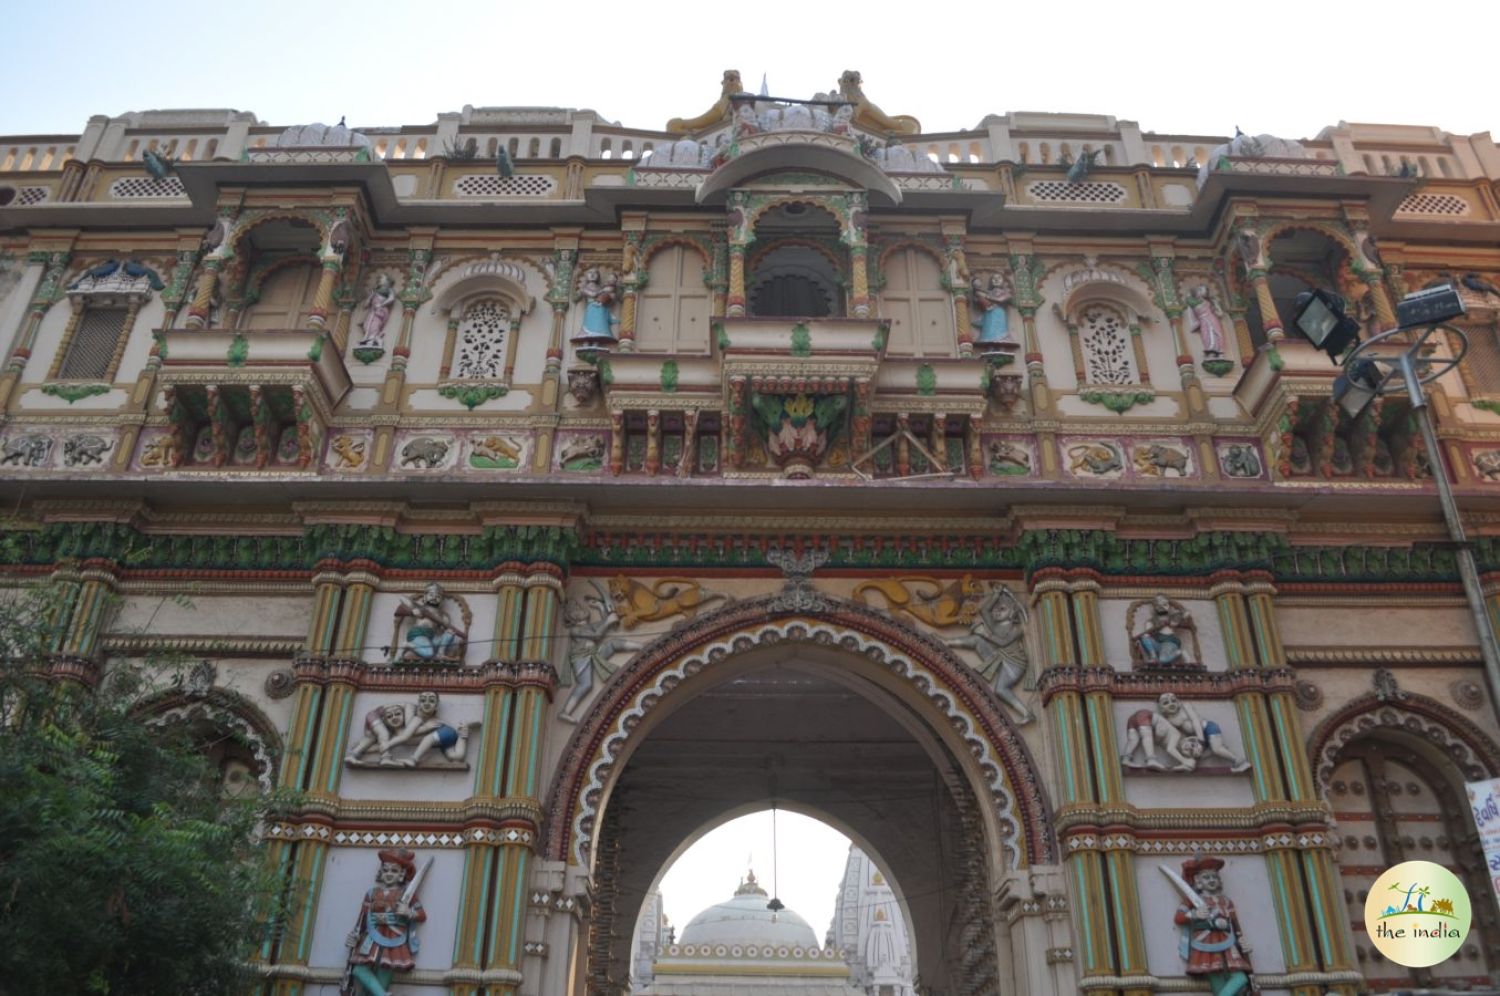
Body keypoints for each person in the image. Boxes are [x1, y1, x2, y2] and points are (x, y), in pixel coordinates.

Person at [343, 849, 427, 996]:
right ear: (381, 872)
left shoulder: (406, 895)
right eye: (386, 870)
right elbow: (362, 918)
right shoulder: (372, 893)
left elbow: (421, 915)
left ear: (401, 875)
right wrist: (355, 935)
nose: (389, 874)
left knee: (380, 980)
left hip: (394, 942)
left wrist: (409, 913)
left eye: (394, 871)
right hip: (371, 940)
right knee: (359, 970)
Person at [945, 586, 1031, 723]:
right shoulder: (995, 625)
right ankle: (947, 642)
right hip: (1001, 658)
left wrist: (985, 633)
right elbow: (984, 610)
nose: (996, 612)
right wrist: (995, 595)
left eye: (1002, 609)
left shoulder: (1016, 629)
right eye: (996, 609)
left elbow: (1002, 642)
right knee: (977, 640)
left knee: (1001, 690)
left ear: (1012, 612)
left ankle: (1026, 714)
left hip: (1014, 664)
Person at [1173, 856, 1254, 996]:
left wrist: (1242, 942)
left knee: (1240, 978)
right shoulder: (1193, 900)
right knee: (1218, 983)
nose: (1211, 880)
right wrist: (1194, 914)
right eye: (1206, 877)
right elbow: (1179, 917)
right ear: (1198, 881)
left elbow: (1236, 926)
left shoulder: (1227, 902)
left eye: (1214, 877)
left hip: (1228, 943)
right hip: (1206, 943)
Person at [560, 584, 642, 719]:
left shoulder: (590, 626)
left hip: (594, 653)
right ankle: (566, 712)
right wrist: (608, 622)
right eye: (576, 609)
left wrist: (600, 607)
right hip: (581, 658)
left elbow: (608, 625)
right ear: (572, 617)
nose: (580, 609)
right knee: (586, 685)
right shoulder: (575, 630)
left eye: (579, 607)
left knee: (613, 644)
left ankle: (641, 647)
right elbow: (598, 635)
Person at [383, 691, 474, 767]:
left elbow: (407, 735)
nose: (427, 703)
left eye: (431, 701)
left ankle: (413, 759)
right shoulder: (401, 729)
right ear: (419, 703)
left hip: (445, 732)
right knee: (456, 756)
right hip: (445, 739)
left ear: (436, 705)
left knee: (428, 739)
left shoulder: (417, 719)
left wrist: (389, 744)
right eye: (423, 700)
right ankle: (463, 732)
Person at [392, 582, 466, 662]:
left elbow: (441, 632)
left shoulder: (443, 616)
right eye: (431, 595)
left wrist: (449, 632)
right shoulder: (421, 608)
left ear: (441, 600)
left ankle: (440, 654)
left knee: (450, 633)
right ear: (425, 597)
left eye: (438, 596)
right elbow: (401, 599)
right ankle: (407, 645)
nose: (434, 597)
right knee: (429, 653)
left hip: (431, 638)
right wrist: (412, 612)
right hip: (419, 634)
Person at [576, 268, 620, 341]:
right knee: (590, 325)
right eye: (590, 272)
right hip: (592, 308)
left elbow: (609, 297)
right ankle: (586, 341)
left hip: (601, 310)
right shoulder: (584, 288)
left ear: (598, 276)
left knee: (600, 325)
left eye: (595, 273)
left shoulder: (601, 287)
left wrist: (611, 295)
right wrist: (603, 290)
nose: (592, 275)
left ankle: (597, 340)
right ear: (586, 276)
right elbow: (592, 294)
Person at [1184, 285, 1226, 357]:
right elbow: (1192, 318)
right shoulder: (1192, 303)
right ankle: (1210, 350)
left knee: (1216, 333)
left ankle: (1219, 350)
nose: (1202, 291)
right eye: (1200, 289)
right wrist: (1197, 323)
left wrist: (1216, 304)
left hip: (1212, 319)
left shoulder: (1209, 302)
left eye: (1204, 290)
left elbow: (1220, 314)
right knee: (1206, 335)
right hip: (1203, 321)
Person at [971, 272, 1012, 346]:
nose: (996, 280)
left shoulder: (1006, 293)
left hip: (998, 312)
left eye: (999, 278)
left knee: (999, 330)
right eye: (994, 278)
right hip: (988, 313)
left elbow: (1001, 300)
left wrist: (986, 296)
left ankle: (1001, 343)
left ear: (1003, 281)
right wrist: (976, 294)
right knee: (988, 327)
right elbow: (978, 300)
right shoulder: (987, 292)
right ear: (990, 281)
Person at [359, 274, 397, 349]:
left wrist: (381, 304)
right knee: (366, 325)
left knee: (375, 324)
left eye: (381, 278)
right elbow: (365, 305)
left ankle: (371, 341)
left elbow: (391, 298)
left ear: (388, 281)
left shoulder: (388, 289)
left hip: (380, 310)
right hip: (373, 310)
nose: (379, 279)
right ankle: (375, 339)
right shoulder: (375, 291)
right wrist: (371, 296)